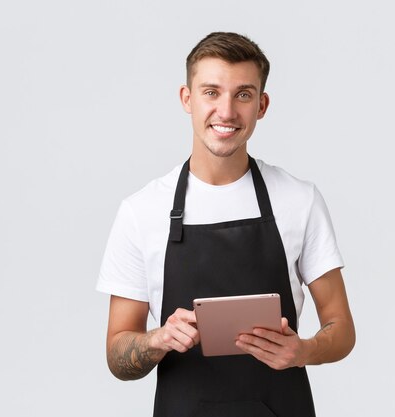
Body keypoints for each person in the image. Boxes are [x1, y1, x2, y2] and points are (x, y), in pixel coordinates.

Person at [97, 32, 355, 417]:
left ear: (262, 105)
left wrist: (303, 350)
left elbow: (342, 329)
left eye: (243, 95)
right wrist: (158, 339)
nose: (227, 112)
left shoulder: (299, 200)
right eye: (211, 92)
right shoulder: (142, 211)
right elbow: (118, 357)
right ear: (187, 98)